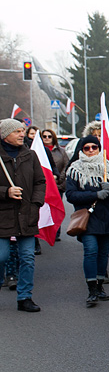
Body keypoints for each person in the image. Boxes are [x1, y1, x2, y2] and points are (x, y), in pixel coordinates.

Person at [65, 135, 109, 307]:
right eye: (86, 148)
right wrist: (95, 194)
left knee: (103, 253)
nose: (90, 151)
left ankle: (100, 286)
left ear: (99, 149)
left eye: (94, 147)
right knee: (91, 251)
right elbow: (71, 195)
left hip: (107, 218)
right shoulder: (74, 170)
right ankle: (91, 289)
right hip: (87, 219)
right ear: (81, 150)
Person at [0, 119, 46, 312]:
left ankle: (25, 297)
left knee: (27, 257)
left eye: (23, 130)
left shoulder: (30, 155)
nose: (22, 134)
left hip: (27, 215)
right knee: (1, 256)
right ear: (5, 135)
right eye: (17, 131)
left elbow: (40, 181)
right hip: (3, 216)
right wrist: (5, 192)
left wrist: (36, 203)